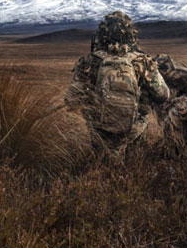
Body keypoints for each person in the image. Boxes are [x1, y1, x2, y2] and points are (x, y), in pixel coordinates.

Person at [65, 11, 169, 156]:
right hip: (134, 129)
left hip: (100, 129)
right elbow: (163, 94)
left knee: (100, 161)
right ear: (131, 34)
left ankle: (101, 166)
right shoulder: (142, 61)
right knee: (135, 161)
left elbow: (71, 99)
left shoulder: (89, 61)